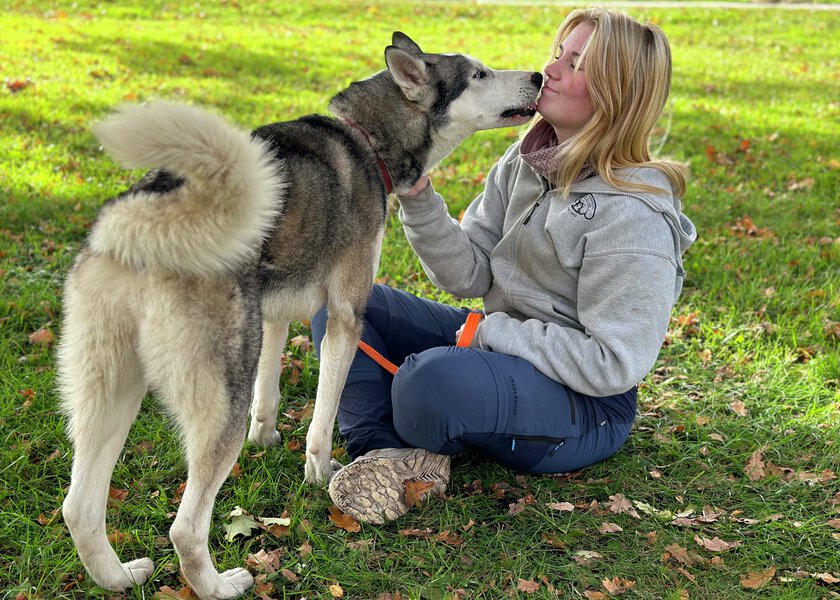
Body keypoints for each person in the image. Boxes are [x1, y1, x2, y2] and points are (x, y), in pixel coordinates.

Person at [311, 7, 696, 524]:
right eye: (558, 53)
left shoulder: (633, 217)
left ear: (616, 95)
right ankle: (383, 455)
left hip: (583, 404)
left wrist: (492, 334)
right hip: (497, 348)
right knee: (344, 304)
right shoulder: (526, 162)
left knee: (428, 383)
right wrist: (419, 199)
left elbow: (613, 363)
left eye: (575, 64)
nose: (550, 69)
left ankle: (420, 415)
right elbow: (470, 275)